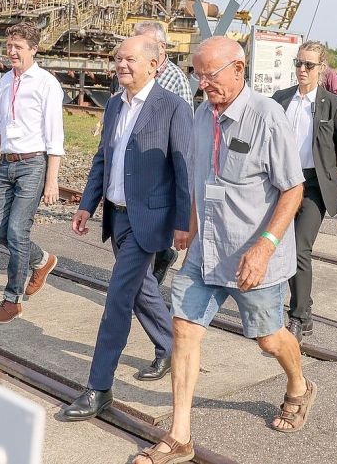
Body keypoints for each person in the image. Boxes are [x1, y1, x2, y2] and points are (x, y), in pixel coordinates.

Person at [134, 36, 311, 464]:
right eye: (198, 74)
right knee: (185, 330)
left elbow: (293, 188)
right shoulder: (200, 116)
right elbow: (200, 178)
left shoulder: (267, 117)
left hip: (252, 254)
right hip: (206, 249)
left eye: (211, 74)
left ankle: (299, 386)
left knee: (268, 340)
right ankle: (180, 436)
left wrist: (265, 248)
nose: (203, 83)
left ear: (239, 68)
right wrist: (189, 226)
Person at [62, 36, 193, 420]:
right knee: (141, 291)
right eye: (118, 58)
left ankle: (98, 387)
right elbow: (103, 158)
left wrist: (183, 223)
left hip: (149, 220)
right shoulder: (116, 104)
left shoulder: (173, 108)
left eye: (130, 59)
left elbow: (184, 169)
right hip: (117, 217)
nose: (121, 65)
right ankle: (172, 346)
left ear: (154, 65)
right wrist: (88, 204)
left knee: (118, 298)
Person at [273, 41, 337, 341]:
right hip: (283, 184)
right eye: (299, 63)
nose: (302, 69)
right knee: (279, 248)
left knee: (300, 248)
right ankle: (304, 304)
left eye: (309, 65)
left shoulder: (333, 105)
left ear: (321, 68)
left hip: (314, 188)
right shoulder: (280, 99)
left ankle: (299, 317)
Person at [0, 22, 64, 325]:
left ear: (33, 49)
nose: (11, 51)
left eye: (18, 47)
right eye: (9, 45)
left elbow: (55, 137)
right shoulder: (4, 81)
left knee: (17, 232)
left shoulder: (47, 84)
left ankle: (12, 300)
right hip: (6, 163)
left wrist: (51, 180)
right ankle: (42, 260)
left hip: (32, 165)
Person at [133, 21, 194, 285]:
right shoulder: (134, 71)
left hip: (161, 164)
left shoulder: (175, 79)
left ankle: (152, 274)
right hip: (137, 161)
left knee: (152, 225)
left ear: (162, 47)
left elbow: (184, 127)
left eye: (145, 45)